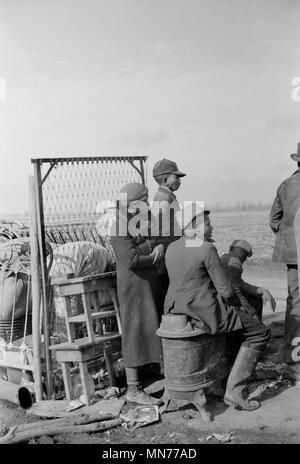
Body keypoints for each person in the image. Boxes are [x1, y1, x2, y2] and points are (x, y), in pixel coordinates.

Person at [164, 205, 271, 410]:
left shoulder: (172, 247)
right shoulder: (206, 248)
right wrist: (246, 310)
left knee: (238, 325)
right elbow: (226, 291)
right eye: (207, 223)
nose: (211, 227)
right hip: (201, 310)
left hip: (174, 308)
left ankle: (226, 374)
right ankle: (235, 391)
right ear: (193, 226)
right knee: (260, 332)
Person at [110, 182, 165, 406]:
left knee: (152, 326)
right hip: (133, 287)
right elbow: (130, 260)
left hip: (147, 284)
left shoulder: (139, 220)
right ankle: (133, 388)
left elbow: (157, 238)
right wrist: (153, 254)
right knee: (134, 331)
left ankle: (153, 371)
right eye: (144, 198)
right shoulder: (119, 226)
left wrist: (154, 245)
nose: (147, 202)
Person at [270, 142, 300, 366]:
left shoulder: (285, 185)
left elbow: (274, 221)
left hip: (293, 253)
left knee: (295, 299)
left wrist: (289, 237)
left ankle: (292, 350)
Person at [151, 159, 186, 296]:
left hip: (170, 247)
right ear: (165, 179)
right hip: (166, 248)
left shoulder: (167, 196)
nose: (179, 180)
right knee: (168, 286)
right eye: (176, 177)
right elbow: (159, 227)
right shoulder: (163, 197)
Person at [220, 240, 276, 322]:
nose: (245, 259)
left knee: (255, 297)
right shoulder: (234, 262)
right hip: (227, 302)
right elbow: (237, 291)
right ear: (241, 253)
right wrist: (251, 312)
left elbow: (240, 283)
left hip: (223, 298)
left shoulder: (225, 258)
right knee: (256, 301)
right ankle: (256, 326)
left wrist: (259, 290)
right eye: (245, 256)